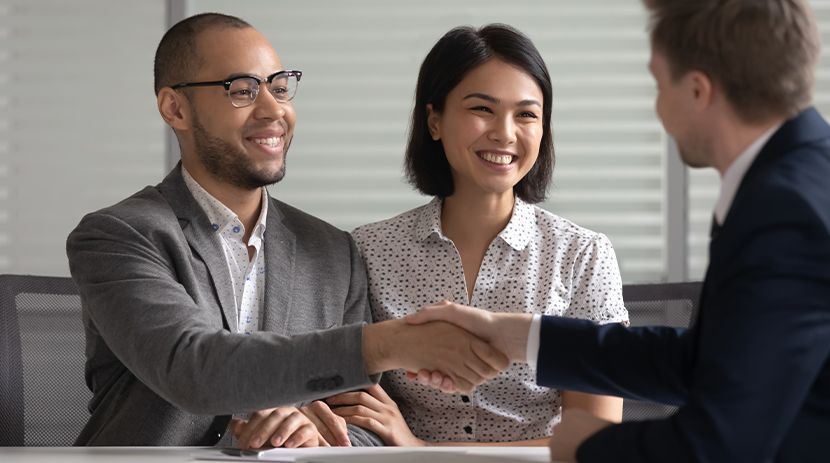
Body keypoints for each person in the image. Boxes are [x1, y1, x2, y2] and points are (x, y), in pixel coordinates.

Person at [408, 0, 830, 461]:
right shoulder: (796, 182)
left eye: (657, 82)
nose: (658, 107)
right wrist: (518, 338)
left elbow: (723, 444)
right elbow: (710, 361)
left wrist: (584, 448)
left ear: (696, 91)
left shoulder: (787, 209)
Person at [65, 13, 508, 448]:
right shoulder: (118, 236)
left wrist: (316, 435)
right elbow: (194, 368)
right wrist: (390, 343)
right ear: (175, 108)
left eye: (279, 88)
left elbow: (371, 425)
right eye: (242, 90)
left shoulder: (333, 250)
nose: (274, 109)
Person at [315, 24, 628, 447]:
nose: (505, 132)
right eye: (482, 109)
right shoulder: (368, 251)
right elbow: (347, 406)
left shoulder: (583, 255)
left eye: (526, 114)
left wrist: (424, 451)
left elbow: (595, 437)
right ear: (435, 121)